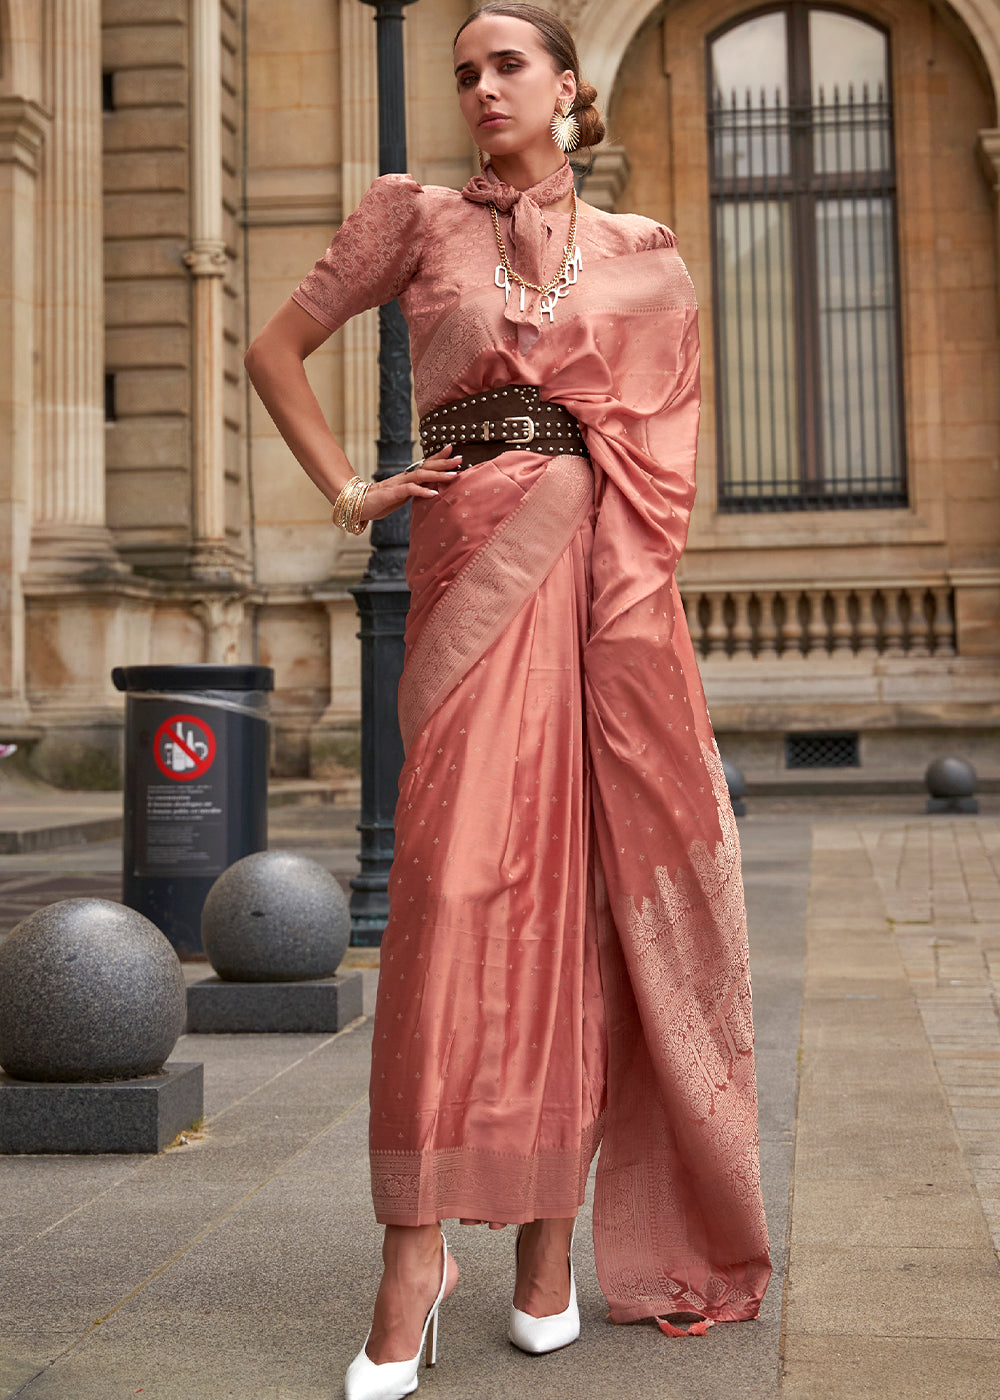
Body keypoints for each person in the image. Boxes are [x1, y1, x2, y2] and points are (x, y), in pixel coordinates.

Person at [244, 5, 771, 1397]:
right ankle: (414, 1251)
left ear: (568, 88)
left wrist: (621, 565)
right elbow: (270, 351)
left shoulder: (640, 253)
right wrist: (352, 495)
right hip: (471, 563)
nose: (480, 86)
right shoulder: (415, 222)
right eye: (464, 70)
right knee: (453, 887)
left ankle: (550, 1253)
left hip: (604, 586)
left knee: (584, 900)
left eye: (506, 65)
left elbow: (664, 428)